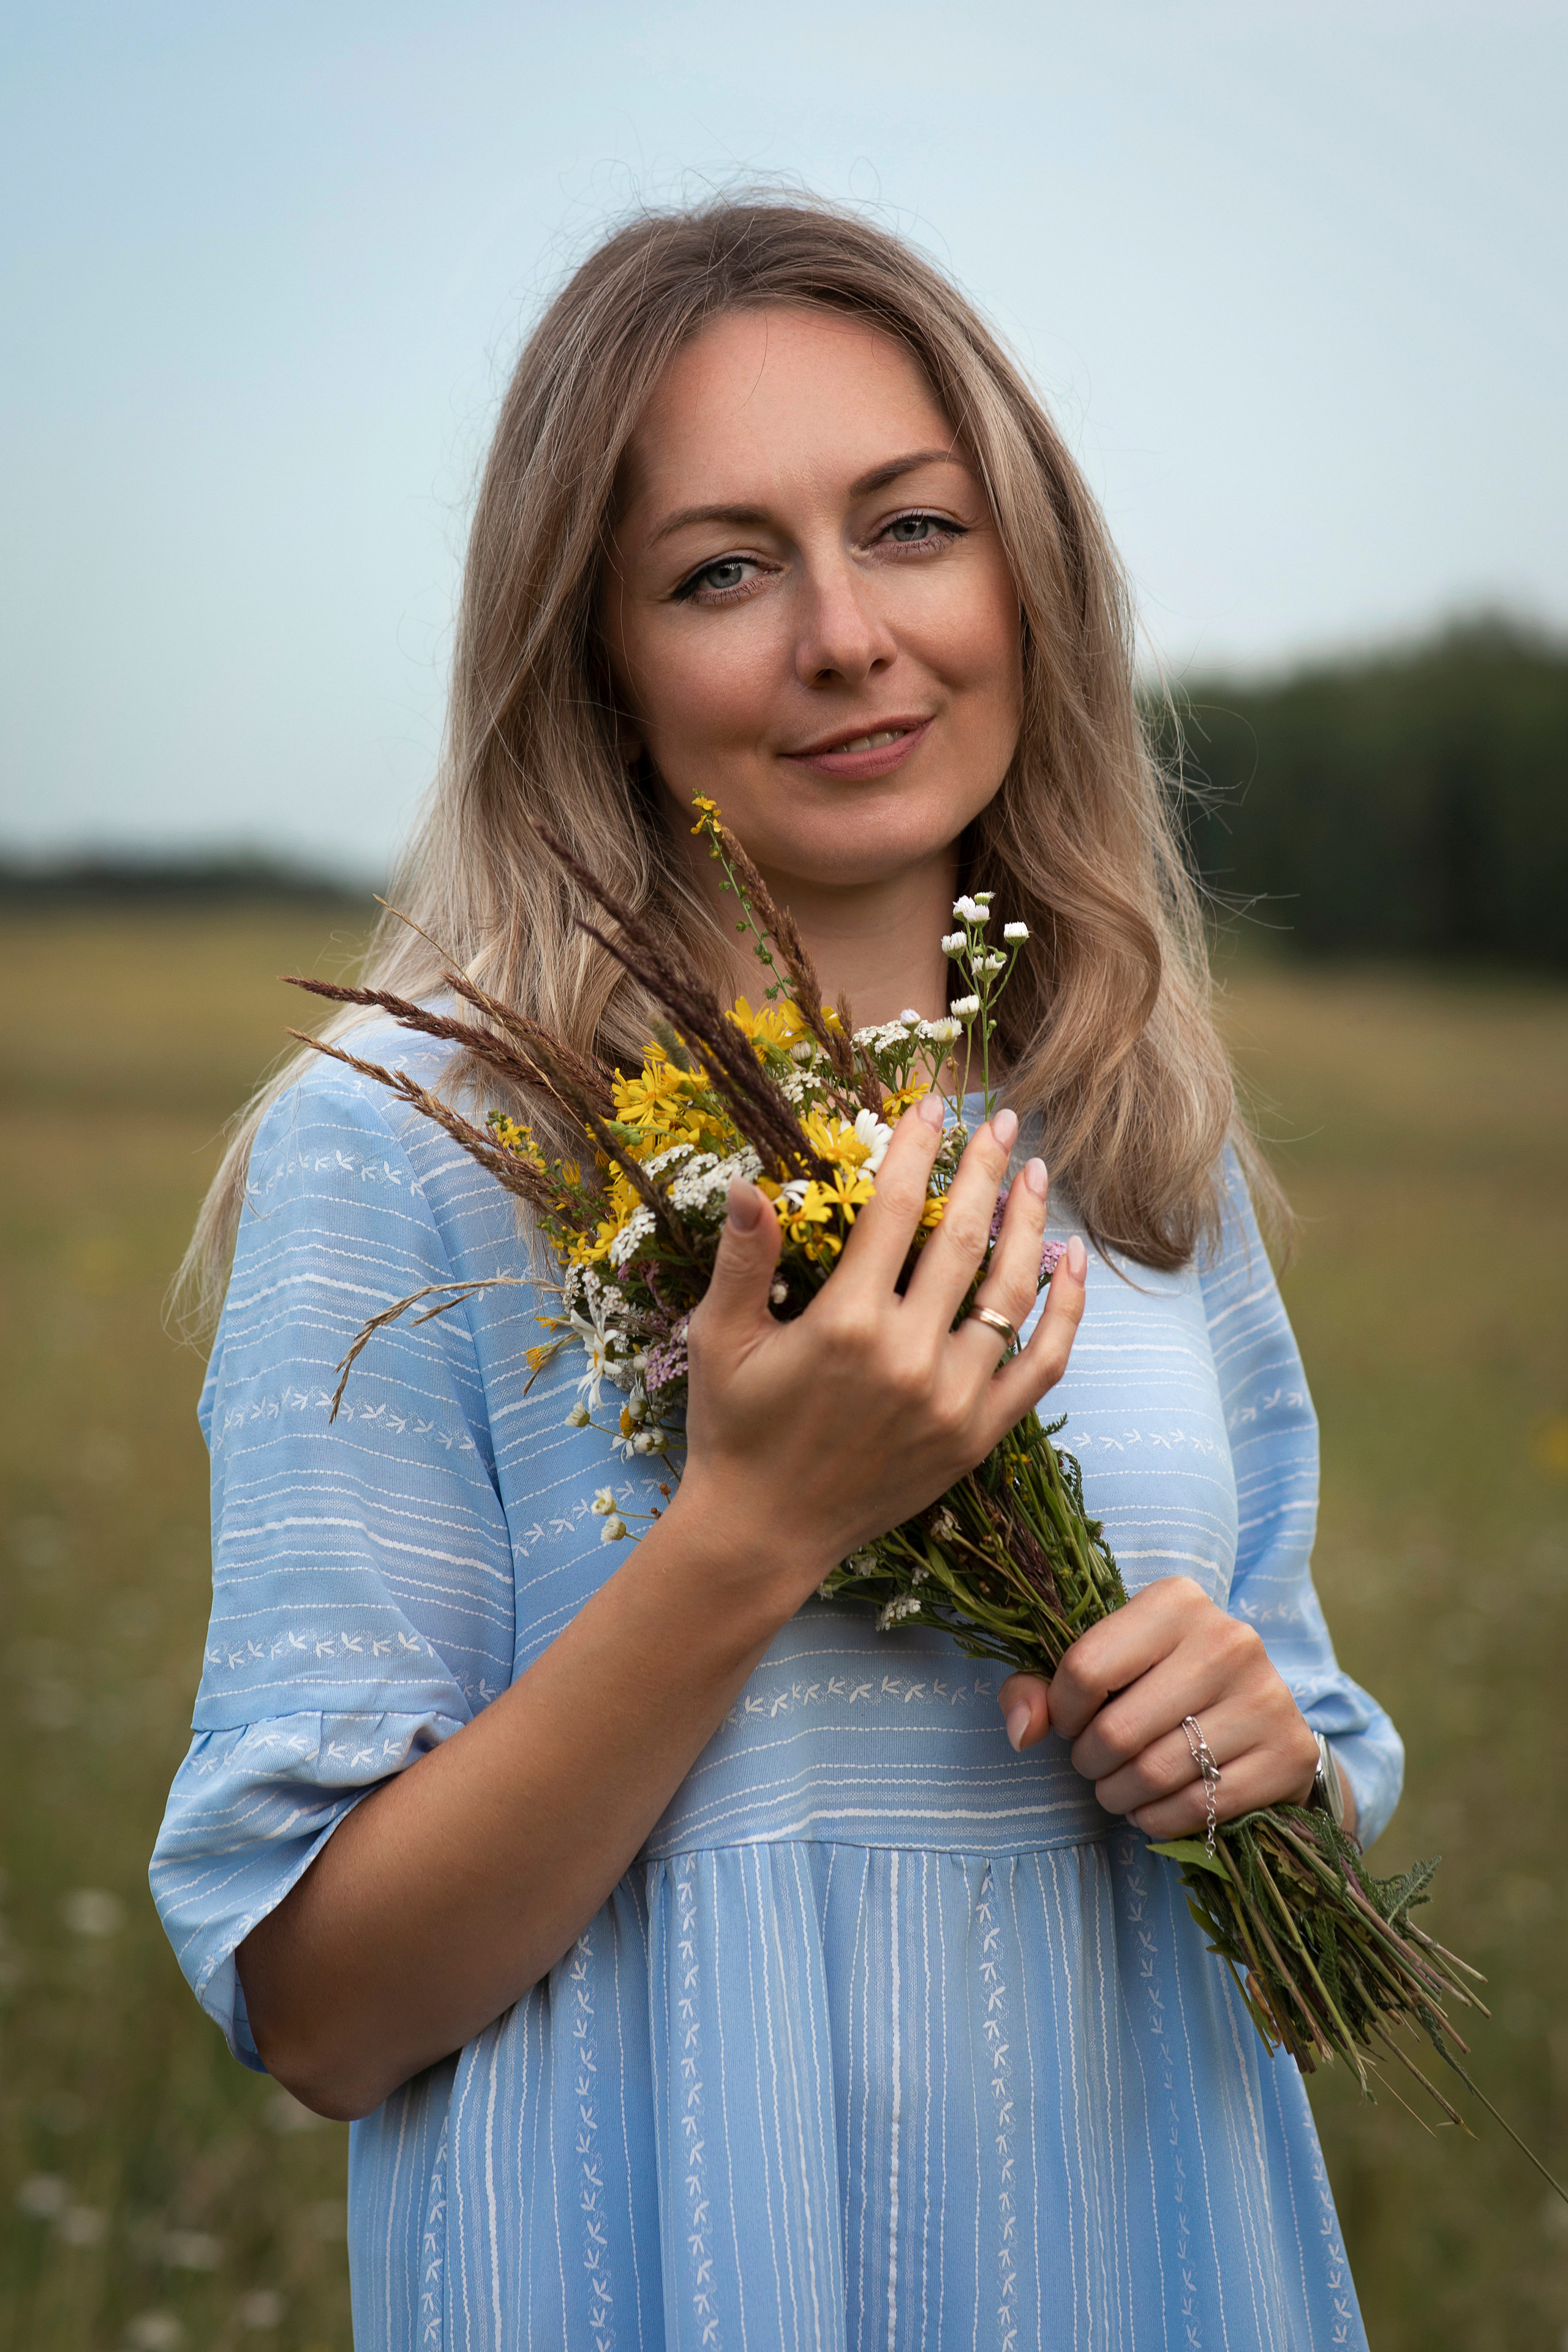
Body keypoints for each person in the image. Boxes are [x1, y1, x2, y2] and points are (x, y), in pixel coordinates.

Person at [153, 196, 1401, 2351]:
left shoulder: (1130, 1130)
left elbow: (1310, 1739)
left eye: (912, 527)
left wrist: (1268, 1750)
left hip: (1153, 2262)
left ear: (1030, 568)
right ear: (596, 660)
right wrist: (751, 1531)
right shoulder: (411, 1147)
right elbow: (327, 2007)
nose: (846, 635)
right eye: (724, 570)